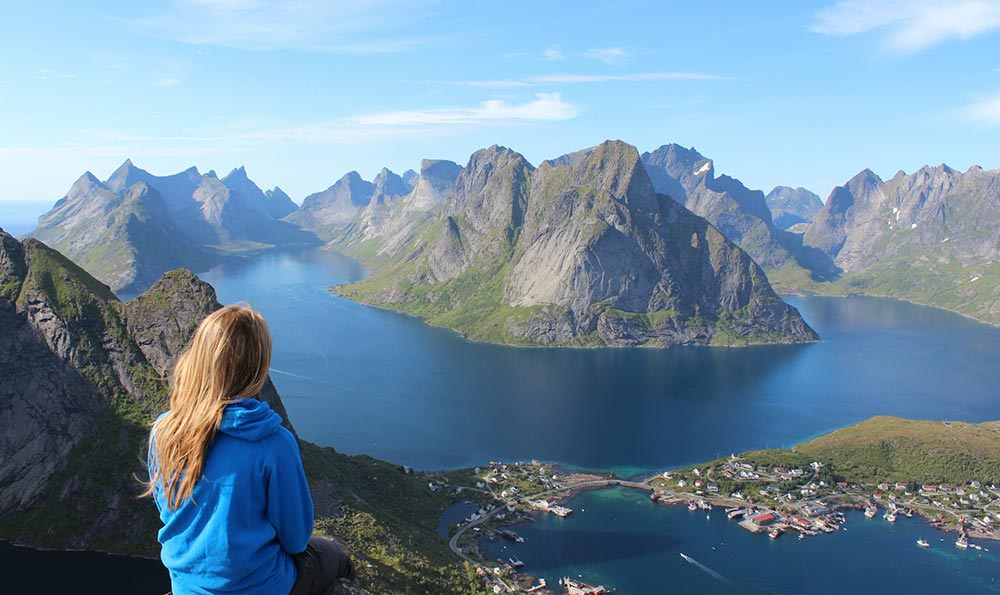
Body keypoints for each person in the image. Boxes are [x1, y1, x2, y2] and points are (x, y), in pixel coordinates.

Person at [144, 304, 355, 595]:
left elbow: (168, 509)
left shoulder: (165, 431)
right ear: (257, 368)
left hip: (187, 587)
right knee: (334, 556)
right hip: (259, 587)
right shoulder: (272, 443)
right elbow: (295, 540)